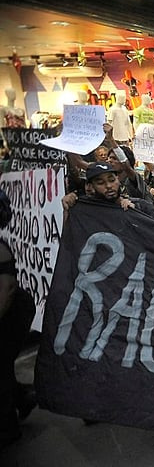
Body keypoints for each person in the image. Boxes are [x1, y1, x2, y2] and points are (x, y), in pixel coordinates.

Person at [0, 188, 36, 449]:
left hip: (10, 314)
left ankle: (8, 429)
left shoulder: (1, 250)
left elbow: (7, 288)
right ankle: (22, 398)